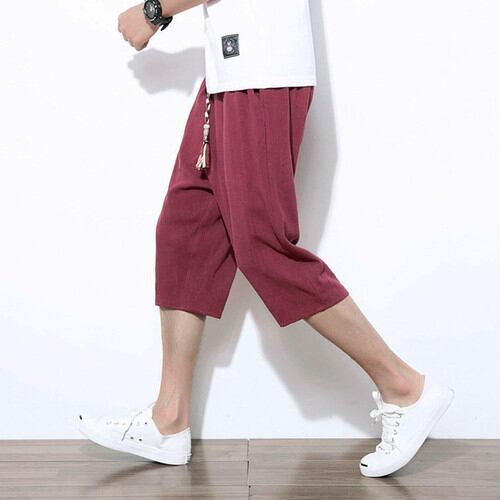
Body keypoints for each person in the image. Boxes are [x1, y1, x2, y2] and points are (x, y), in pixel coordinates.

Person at [78, 0, 454, 478]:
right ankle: (167, 420)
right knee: (186, 230)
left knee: (264, 247)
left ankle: (405, 387)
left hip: (263, 70)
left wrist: (154, 10)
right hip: (230, 71)